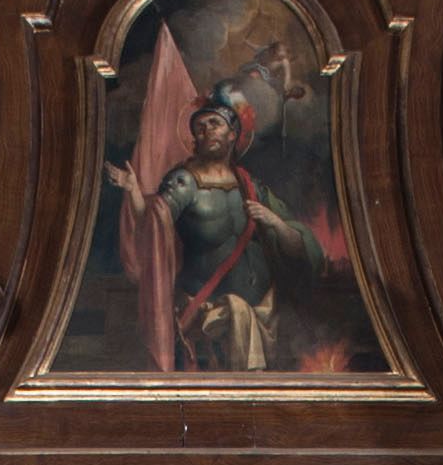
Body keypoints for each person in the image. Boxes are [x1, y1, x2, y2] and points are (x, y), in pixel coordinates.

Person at [110, 97, 326, 372]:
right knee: (235, 313)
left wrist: (274, 222)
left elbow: (298, 243)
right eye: (200, 127)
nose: (207, 130)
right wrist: (134, 192)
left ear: (232, 134)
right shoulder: (185, 182)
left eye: (215, 123)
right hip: (209, 312)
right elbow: (153, 225)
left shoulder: (249, 184)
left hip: (263, 311)